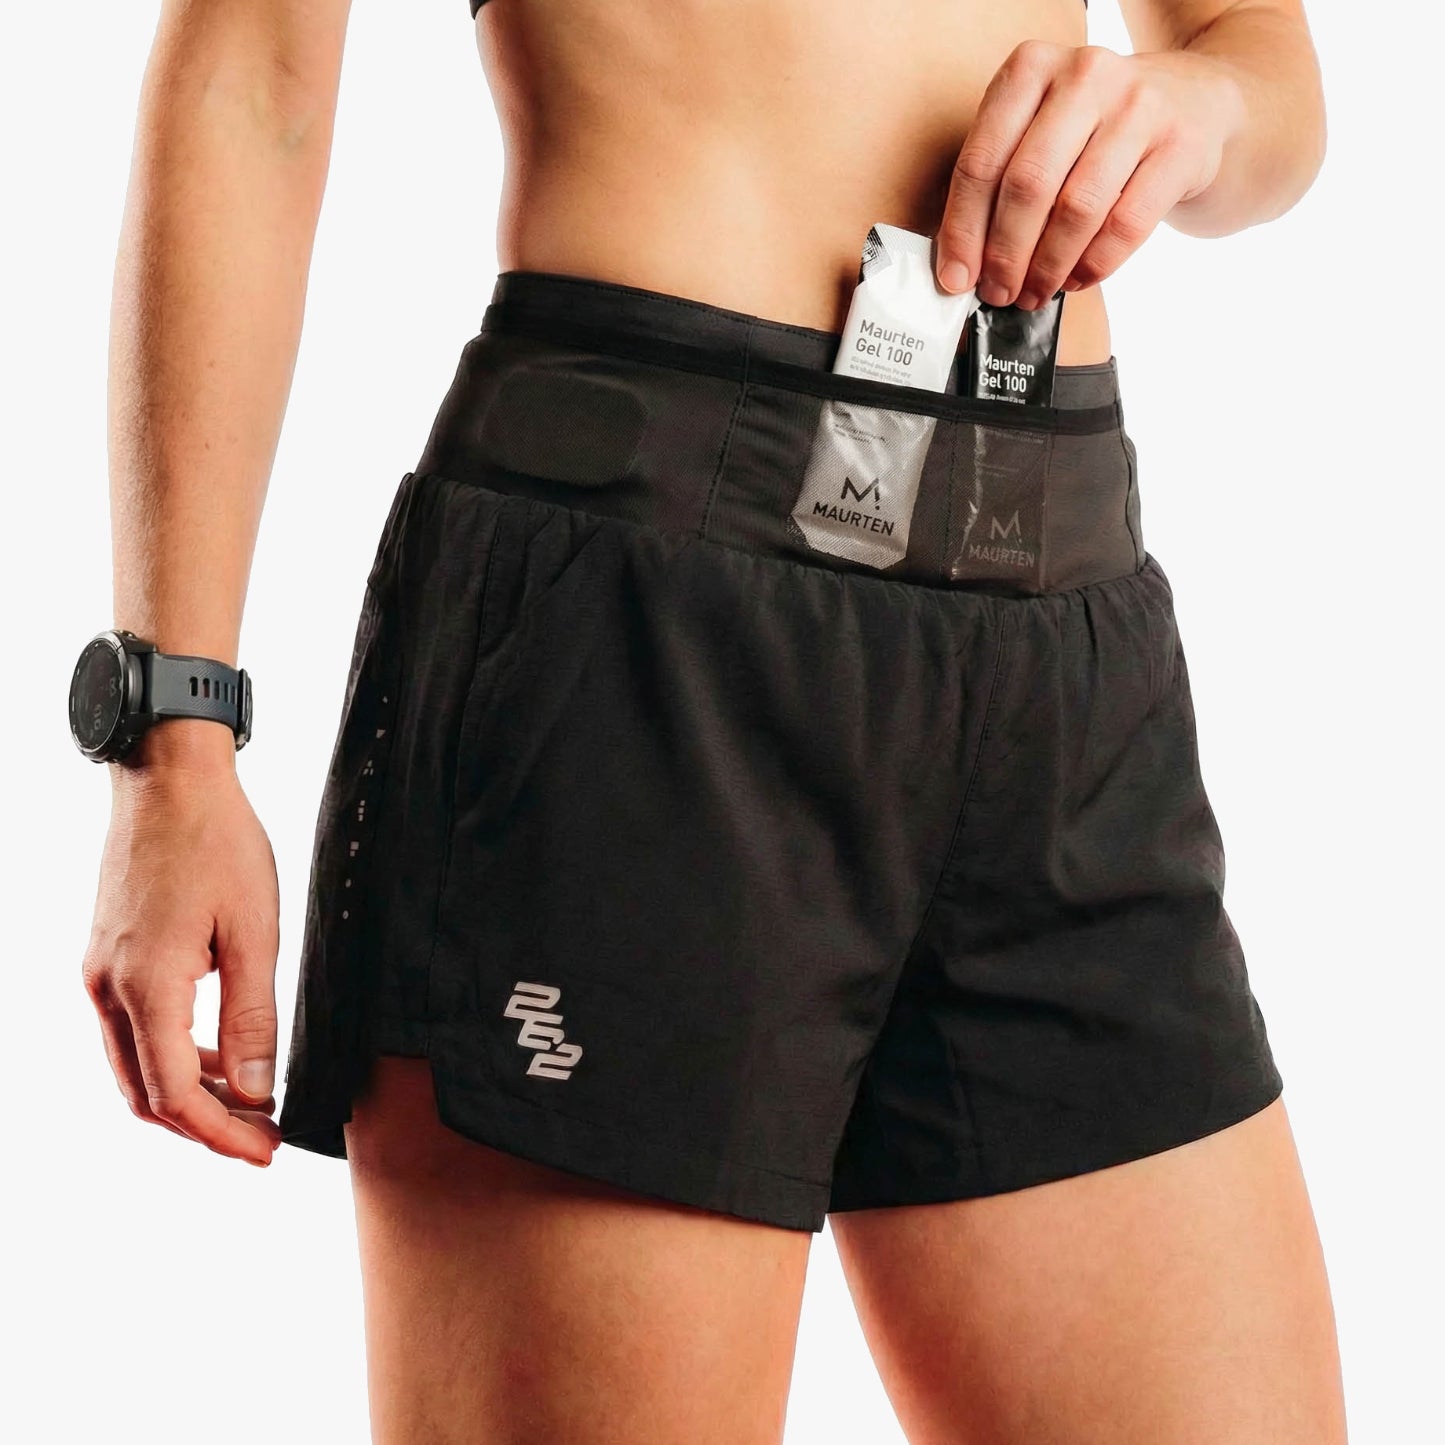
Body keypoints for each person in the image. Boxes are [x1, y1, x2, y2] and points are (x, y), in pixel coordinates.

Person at [78, 0, 1345, 1440]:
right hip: (640, 619)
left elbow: (1258, 62)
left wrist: (1200, 109)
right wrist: (170, 740)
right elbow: (254, 80)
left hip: (1061, 622)